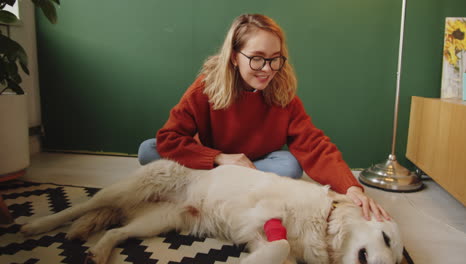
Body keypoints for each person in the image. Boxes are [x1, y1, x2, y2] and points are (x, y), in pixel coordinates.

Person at [138, 14, 390, 221]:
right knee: (148, 150)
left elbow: (313, 145)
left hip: (257, 163)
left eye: (275, 59)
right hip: (217, 160)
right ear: (235, 57)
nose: (268, 69)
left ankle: (216, 184)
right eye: (257, 58)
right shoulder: (205, 88)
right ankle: (221, 179)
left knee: (289, 165)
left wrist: (351, 187)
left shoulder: (282, 93)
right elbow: (169, 138)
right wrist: (219, 158)